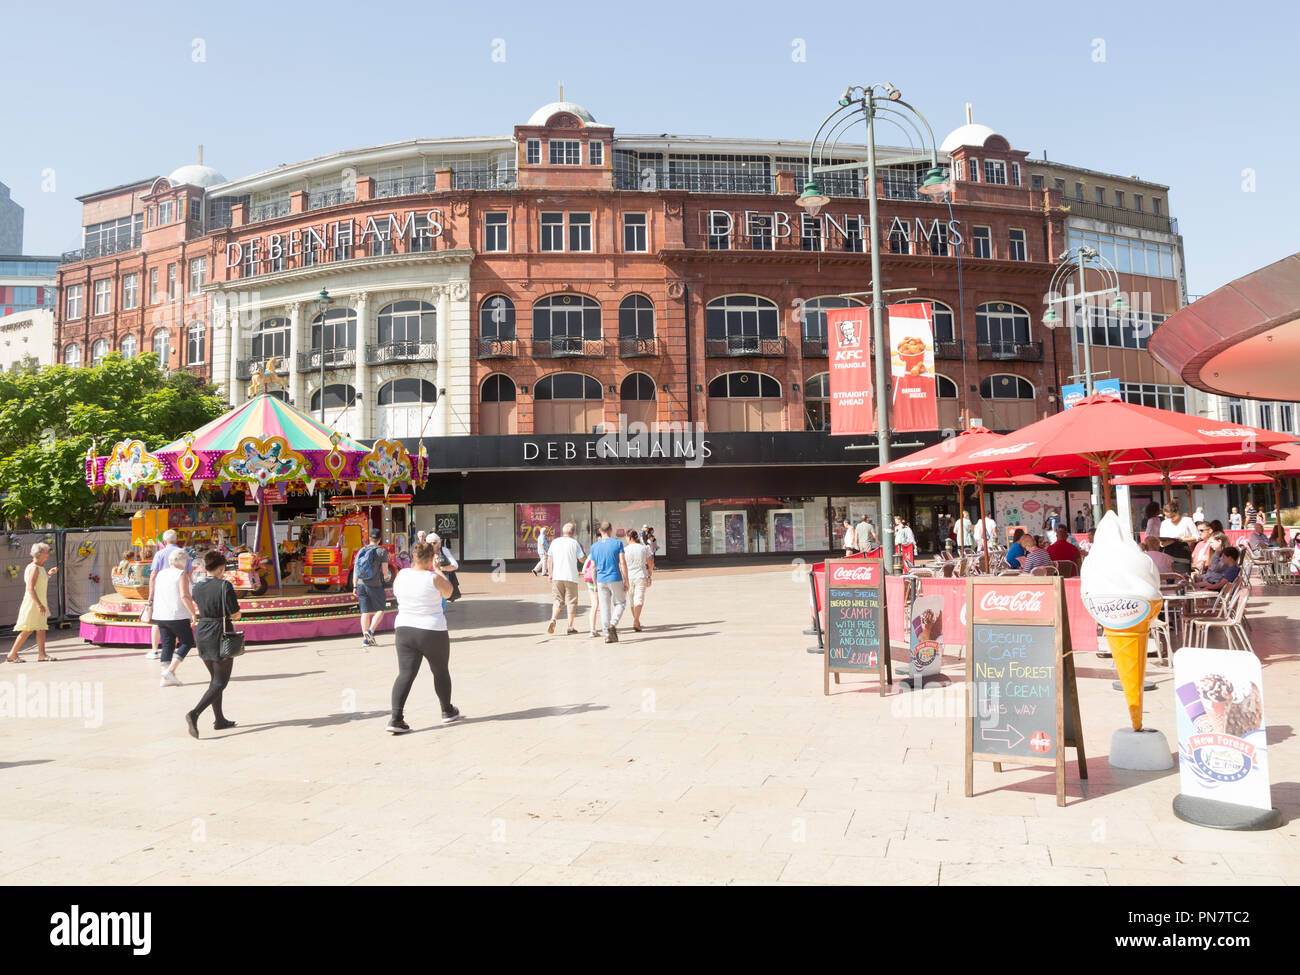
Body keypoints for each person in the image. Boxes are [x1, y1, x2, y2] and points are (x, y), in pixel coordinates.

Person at [386, 541, 459, 734]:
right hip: (432, 630)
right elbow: (449, 592)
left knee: (405, 674)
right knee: (440, 671)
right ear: (431, 559)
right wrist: (438, 570)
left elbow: (396, 591)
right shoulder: (433, 578)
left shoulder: (401, 575)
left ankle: (396, 718)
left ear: (413, 556)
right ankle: (447, 711)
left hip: (404, 629)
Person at [185, 549, 243, 738]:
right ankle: (194, 713)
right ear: (220, 567)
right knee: (220, 682)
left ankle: (219, 719)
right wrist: (237, 615)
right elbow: (234, 613)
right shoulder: (224, 585)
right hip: (220, 632)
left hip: (203, 631)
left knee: (214, 680)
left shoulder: (198, 586)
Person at [6, 542, 60, 663]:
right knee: (28, 629)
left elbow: (40, 581)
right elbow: (30, 588)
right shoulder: (34, 568)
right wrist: (39, 604)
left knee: (40, 628)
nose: (48, 554)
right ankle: (12, 654)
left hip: (38, 602)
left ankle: (42, 655)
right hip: (33, 603)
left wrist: (49, 574)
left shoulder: (39, 567)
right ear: (40, 554)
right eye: (46, 552)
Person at [153, 548, 199, 687]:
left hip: (161, 614)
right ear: (182, 561)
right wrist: (193, 613)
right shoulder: (181, 574)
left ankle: (165, 677)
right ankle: (170, 671)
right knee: (187, 641)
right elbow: (184, 596)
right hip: (177, 614)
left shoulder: (161, 574)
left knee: (167, 644)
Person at [146, 530, 191, 661]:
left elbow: (153, 575)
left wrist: (151, 594)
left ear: (164, 542)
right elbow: (189, 573)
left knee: (157, 621)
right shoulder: (184, 553)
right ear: (176, 540)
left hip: (161, 591)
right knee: (177, 620)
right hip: (179, 589)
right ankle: (176, 651)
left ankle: (155, 650)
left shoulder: (159, 554)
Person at [352, 528, 392, 648]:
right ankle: (370, 631)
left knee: (365, 612)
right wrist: (388, 575)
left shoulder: (361, 550)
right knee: (380, 609)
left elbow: (355, 570)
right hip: (374, 585)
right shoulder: (381, 552)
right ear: (380, 540)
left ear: (369, 538)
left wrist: (354, 585)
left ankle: (365, 640)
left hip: (360, 584)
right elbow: (385, 572)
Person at [589, 522, 628, 643]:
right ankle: (613, 624)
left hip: (601, 580)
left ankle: (607, 635)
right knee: (620, 603)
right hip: (615, 577)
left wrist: (595, 584)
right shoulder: (617, 543)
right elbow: (622, 562)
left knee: (604, 607)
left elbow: (593, 567)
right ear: (611, 530)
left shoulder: (594, 547)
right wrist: (626, 579)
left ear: (600, 530)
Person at [545, 522, 586, 635]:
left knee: (558, 600)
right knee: (572, 602)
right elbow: (582, 559)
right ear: (573, 532)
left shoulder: (555, 542)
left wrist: (550, 574)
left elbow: (549, 559)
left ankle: (553, 619)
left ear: (563, 531)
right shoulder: (574, 543)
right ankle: (570, 626)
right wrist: (583, 552)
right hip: (571, 576)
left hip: (557, 576)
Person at [622, 529, 654, 632]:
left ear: (629, 537)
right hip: (641, 576)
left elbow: (621, 564)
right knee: (639, 599)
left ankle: (636, 620)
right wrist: (650, 573)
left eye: (626, 537)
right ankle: (636, 621)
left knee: (632, 601)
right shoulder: (643, 548)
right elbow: (650, 562)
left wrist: (623, 577)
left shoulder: (625, 550)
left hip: (629, 577)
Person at [429, 533, 461, 602]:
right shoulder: (426, 552)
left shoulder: (443, 550)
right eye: (430, 543)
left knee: (443, 600)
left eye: (434, 543)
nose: (432, 544)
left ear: (438, 542)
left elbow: (455, 565)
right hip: (430, 578)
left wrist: (442, 568)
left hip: (443, 576)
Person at [582, 552, 600, 638]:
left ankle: (592, 629)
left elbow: (583, 570)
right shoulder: (602, 553)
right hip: (600, 581)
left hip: (590, 582)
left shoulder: (591, 554)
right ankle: (608, 628)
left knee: (594, 605)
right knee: (603, 605)